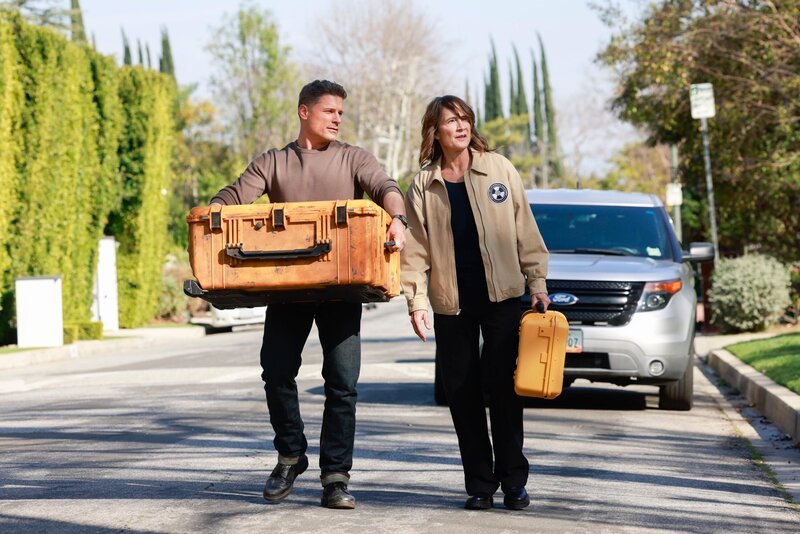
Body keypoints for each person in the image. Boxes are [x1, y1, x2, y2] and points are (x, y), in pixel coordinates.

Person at [210, 80, 408, 509]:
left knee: (342, 384)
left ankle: (336, 477)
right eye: (329, 111)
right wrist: (215, 208)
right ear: (304, 112)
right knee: (276, 372)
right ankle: (290, 455)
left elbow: (385, 186)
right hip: (288, 290)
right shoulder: (274, 162)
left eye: (341, 113)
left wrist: (398, 218)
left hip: (342, 291)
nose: (337, 119)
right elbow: (234, 194)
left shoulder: (354, 158)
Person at [400, 95, 550, 510]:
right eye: (451, 120)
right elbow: (414, 250)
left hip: (503, 298)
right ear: (436, 131)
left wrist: (537, 282)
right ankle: (480, 485)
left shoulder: (498, 168)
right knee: (463, 395)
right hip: (452, 304)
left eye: (465, 118)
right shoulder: (424, 183)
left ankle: (514, 481)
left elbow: (525, 229)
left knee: (504, 391)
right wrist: (416, 302)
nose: (461, 126)